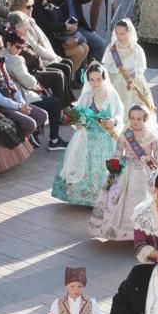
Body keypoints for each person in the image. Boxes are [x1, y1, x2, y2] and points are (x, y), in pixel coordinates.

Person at [90, 104, 158, 240]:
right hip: (126, 172)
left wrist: (153, 165)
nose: (135, 121)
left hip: (146, 172)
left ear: (145, 120)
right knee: (116, 197)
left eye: (139, 119)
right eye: (132, 118)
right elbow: (117, 153)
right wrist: (113, 166)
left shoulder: (152, 137)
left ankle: (144, 233)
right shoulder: (125, 135)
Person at [52, 63, 124, 206]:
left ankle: (104, 197)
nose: (95, 83)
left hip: (105, 136)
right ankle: (83, 197)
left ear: (104, 78)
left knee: (103, 164)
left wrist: (113, 120)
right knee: (81, 161)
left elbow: (119, 113)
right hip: (86, 134)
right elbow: (79, 113)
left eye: (98, 79)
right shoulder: (86, 94)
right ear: (88, 80)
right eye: (92, 80)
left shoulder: (111, 94)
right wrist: (78, 122)